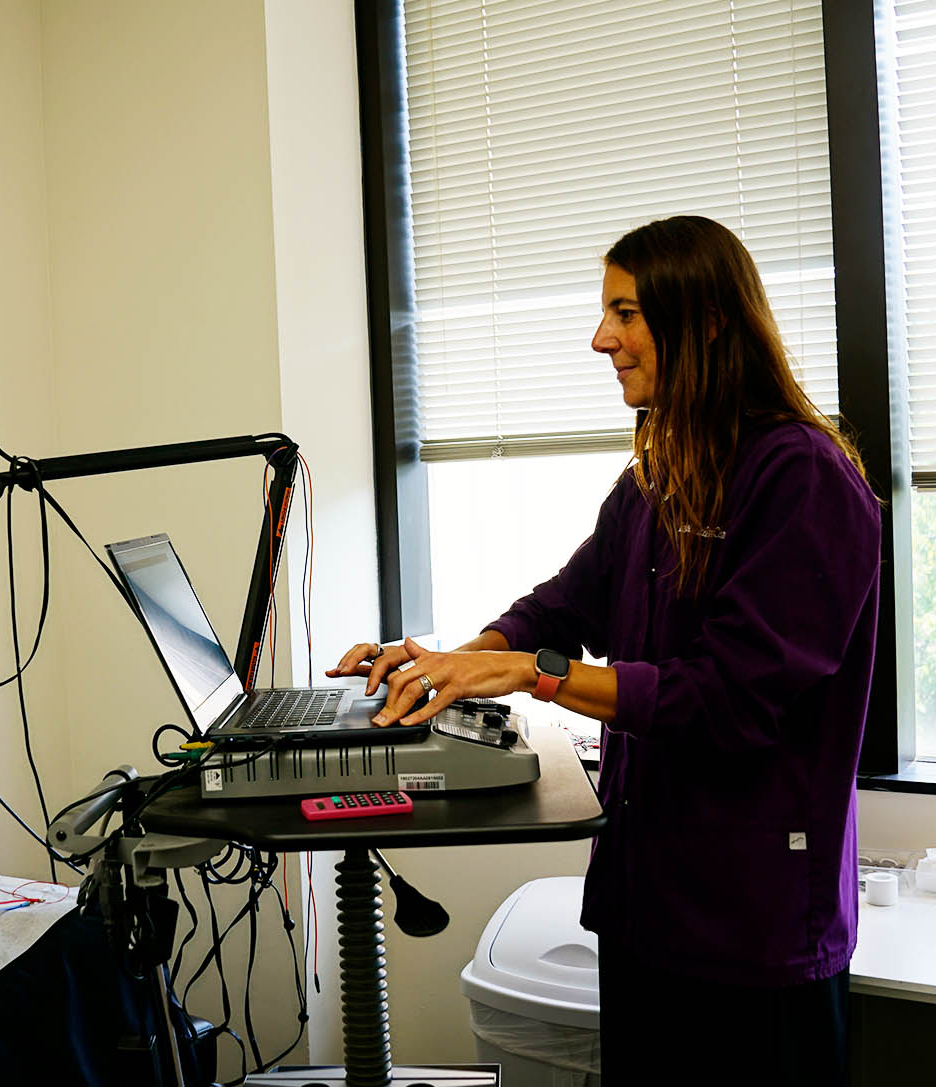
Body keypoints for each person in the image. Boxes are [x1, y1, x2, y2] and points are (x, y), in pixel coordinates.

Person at [329, 215, 881, 1082]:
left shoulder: (803, 477)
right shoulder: (655, 477)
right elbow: (562, 605)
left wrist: (533, 674)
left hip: (751, 931)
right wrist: (453, 663)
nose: (602, 339)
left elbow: (726, 699)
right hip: (645, 908)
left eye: (625, 313)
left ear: (704, 321)